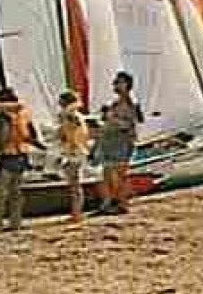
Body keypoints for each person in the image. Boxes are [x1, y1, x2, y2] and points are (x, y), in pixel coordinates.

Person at [0, 87, 42, 231]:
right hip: (22, 155)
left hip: (7, 156)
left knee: (1, 192)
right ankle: (16, 221)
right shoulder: (24, 113)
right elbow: (32, 135)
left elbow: (2, 138)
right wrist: (41, 147)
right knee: (16, 191)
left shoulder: (1, 116)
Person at [94, 72, 143, 215]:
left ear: (127, 85)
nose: (115, 85)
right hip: (109, 143)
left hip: (122, 143)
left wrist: (111, 118)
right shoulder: (115, 104)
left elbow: (129, 124)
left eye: (119, 82)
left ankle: (122, 204)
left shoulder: (131, 103)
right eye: (115, 82)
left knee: (119, 175)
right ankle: (110, 202)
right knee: (107, 174)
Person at [55, 90, 91, 222]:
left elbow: (73, 132)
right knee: (74, 185)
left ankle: (77, 213)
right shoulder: (75, 115)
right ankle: (76, 212)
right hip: (75, 151)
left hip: (74, 152)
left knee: (75, 185)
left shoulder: (71, 116)